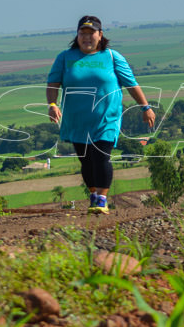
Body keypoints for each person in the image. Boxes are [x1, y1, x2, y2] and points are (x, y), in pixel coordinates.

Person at [46, 15, 155, 214]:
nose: (86, 38)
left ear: (100, 34)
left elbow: (131, 83)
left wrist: (145, 107)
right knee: (86, 161)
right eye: (82, 33)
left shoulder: (112, 57)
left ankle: (102, 200)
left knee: (101, 157)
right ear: (77, 35)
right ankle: (94, 195)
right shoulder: (65, 57)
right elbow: (53, 83)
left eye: (91, 33)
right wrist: (52, 104)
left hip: (106, 118)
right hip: (77, 120)